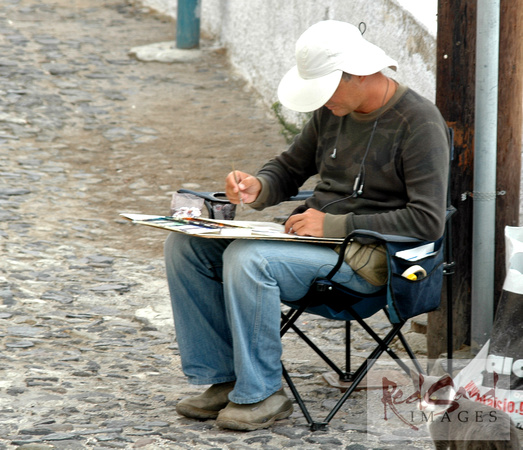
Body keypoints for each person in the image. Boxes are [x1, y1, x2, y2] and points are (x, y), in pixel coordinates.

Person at [164, 20, 450, 431]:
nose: (323, 100)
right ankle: (225, 378)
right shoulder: (333, 111)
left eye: (327, 89)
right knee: (185, 246)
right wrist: (257, 185)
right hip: (312, 242)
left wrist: (336, 224)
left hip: (369, 262)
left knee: (250, 258)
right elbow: (290, 167)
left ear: (360, 74)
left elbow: (427, 220)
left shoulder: (419, 124)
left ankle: (262, 393)